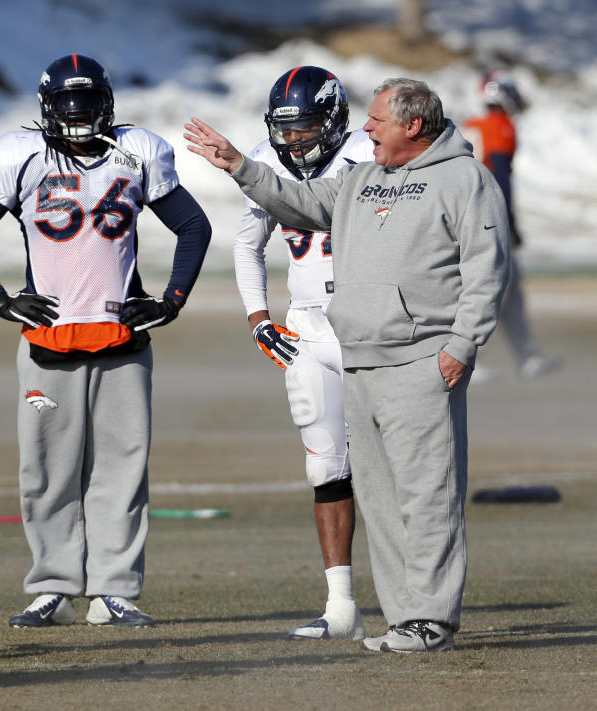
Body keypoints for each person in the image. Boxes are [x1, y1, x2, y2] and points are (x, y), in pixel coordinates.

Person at [185, 77, 510, 653]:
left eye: (377, 121)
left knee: (427, 494)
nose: (366, 130)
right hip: (359, 359)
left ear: (413, 126)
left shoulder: (465, 179)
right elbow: (301, 204)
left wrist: (462, 345)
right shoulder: (362, 178)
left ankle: (432, 620)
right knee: (381, 498)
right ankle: (404, 618)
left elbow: (488, 267)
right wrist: (239, 166)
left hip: (421, 358)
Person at [0, 53, 211, 628]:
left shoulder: (137, 151)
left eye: (87, 104)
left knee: (122, 469)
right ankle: (53, 585)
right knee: (46, 471)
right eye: (66, 106)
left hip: (122, 338)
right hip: (48, 339)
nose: (77, 116)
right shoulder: (18, 155)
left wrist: (171, 300)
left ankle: (114, 590)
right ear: (46, 107)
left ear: (107, 104)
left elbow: (194, 226)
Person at [233, 66, 374, 641]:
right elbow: (247, 244)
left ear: (335, 117)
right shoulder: (270, 164)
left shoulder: (370, 154)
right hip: (308, 331)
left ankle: (415, 595)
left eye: (306, 127)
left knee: (394, 466)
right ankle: (341, 603)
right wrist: (257, 317)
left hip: (370, 328)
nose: (294, 142)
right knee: (325, 465)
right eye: (285, 130)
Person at [462, 70, 560, 380]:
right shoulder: (499, 127)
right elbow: (500, 179)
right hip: (486, 217)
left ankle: (528, 354)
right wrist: (510, 225)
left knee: (510, 289)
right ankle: (467, 356)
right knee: (493, 290)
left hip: (467, 213)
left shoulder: (471, 125)